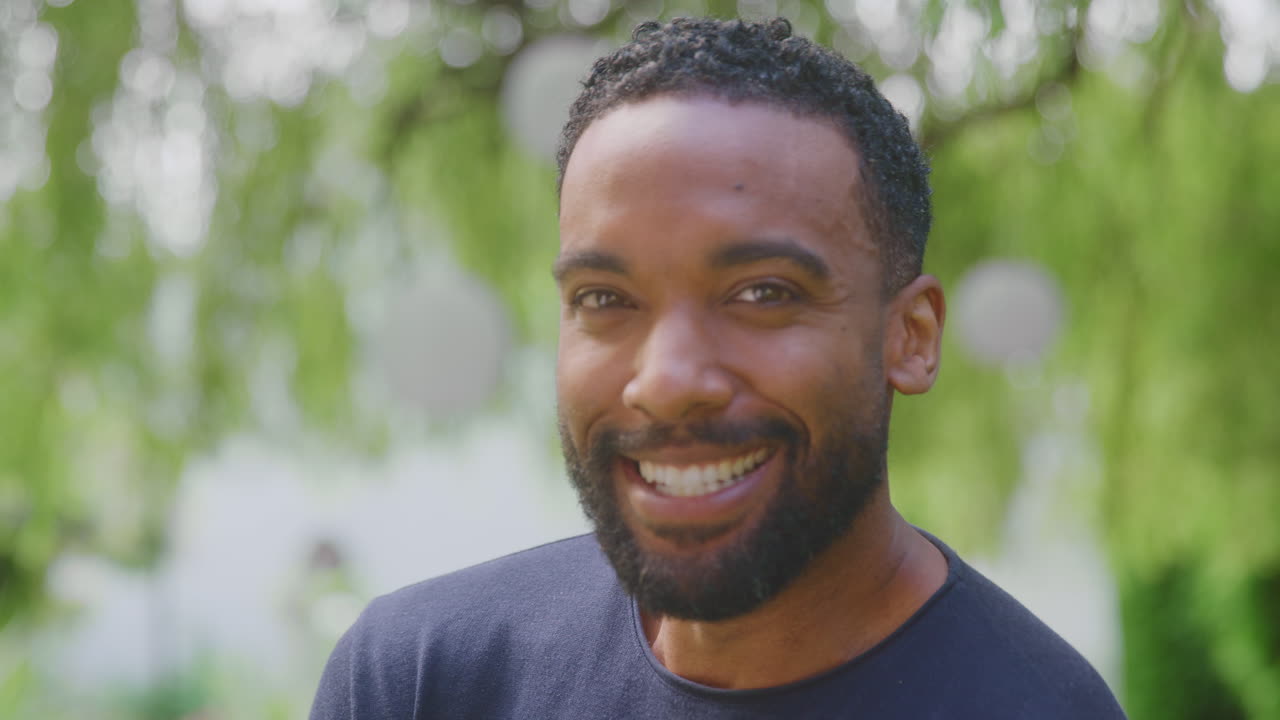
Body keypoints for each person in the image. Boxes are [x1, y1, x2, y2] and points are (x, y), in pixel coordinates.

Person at [311, 17, 1126, 719]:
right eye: (604, 299)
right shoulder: (418, 682)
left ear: (910, 337)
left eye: (762, 293)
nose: (665, 380)